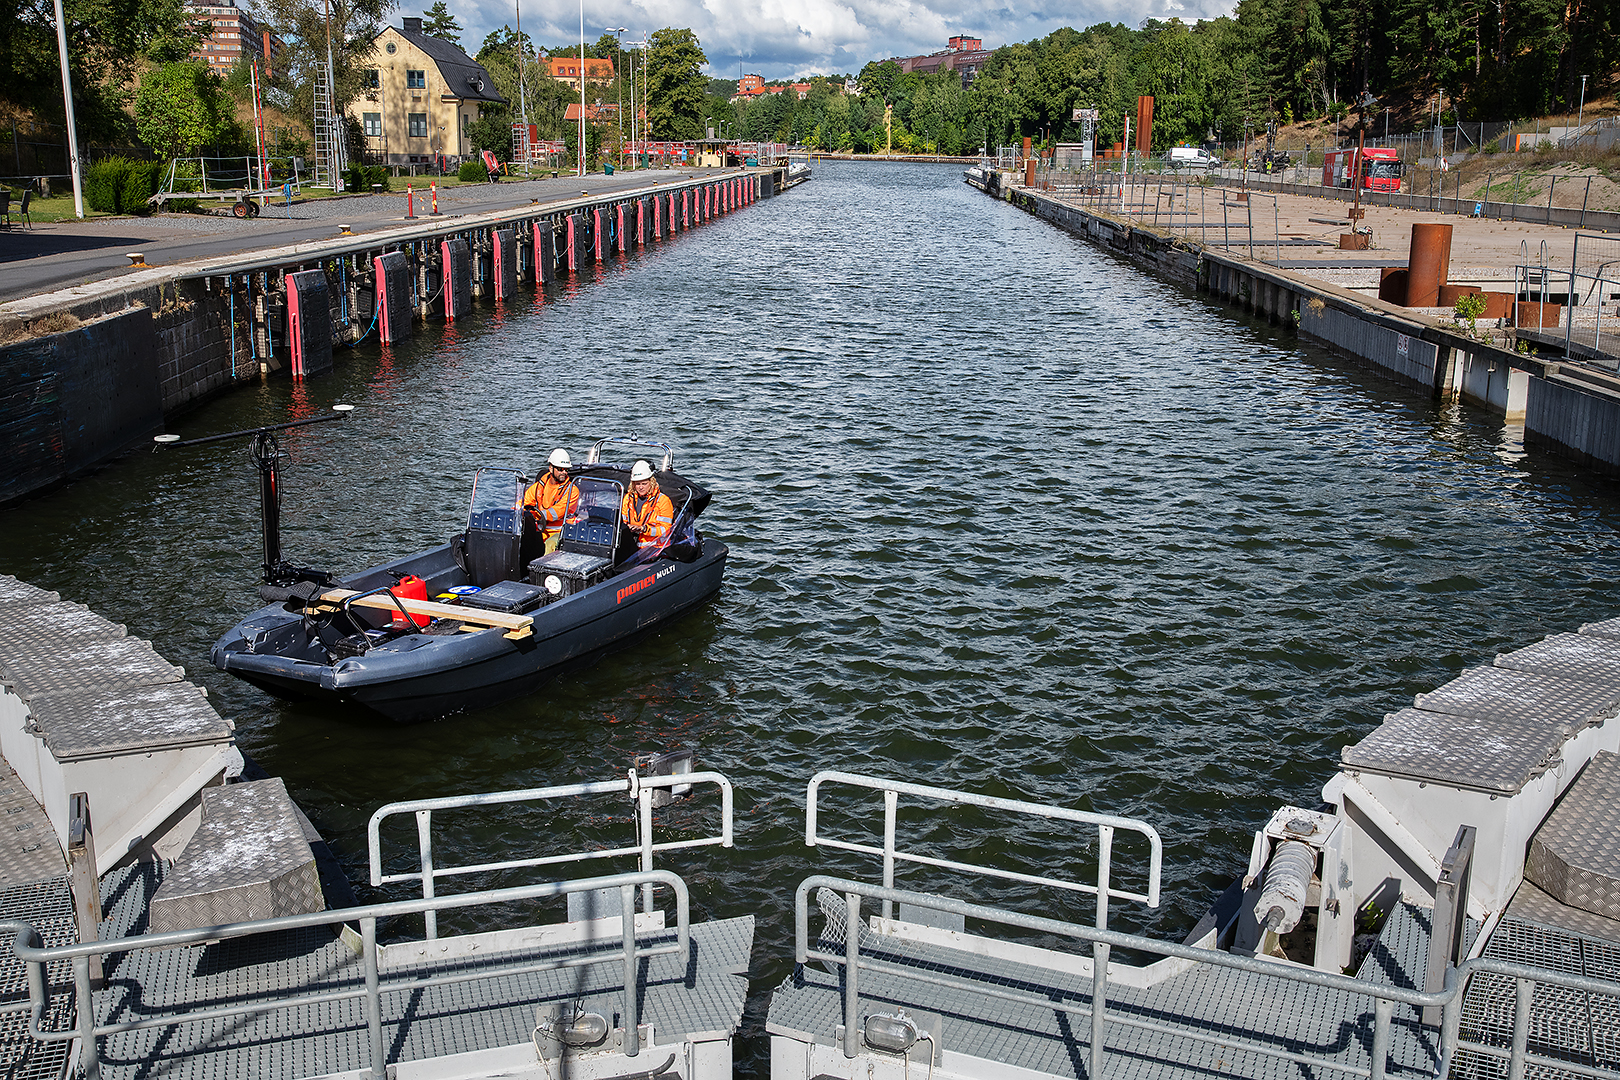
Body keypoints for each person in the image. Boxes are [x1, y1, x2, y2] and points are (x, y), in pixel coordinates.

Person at [523, 449, 579, 555]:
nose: (564, 472)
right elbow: (524, 502)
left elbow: (556, 513)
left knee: (550, 544)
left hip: (562, 531)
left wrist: (534, 515)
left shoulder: (572, 490)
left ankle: (545, 571)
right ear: (551, 468)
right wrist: (516, 512)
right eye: (560, 469)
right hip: (541, 528)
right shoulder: (539, 486)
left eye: (566, 470)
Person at [621, 460, 674, 550]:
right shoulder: (628, 498)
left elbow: (666, 531)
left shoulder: (663, 500)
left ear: (651, 482)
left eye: (644, 484)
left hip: (655, 548)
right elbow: (624, 521)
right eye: (637, 484)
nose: (641, 487)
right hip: (632, 546)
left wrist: (644, 529)